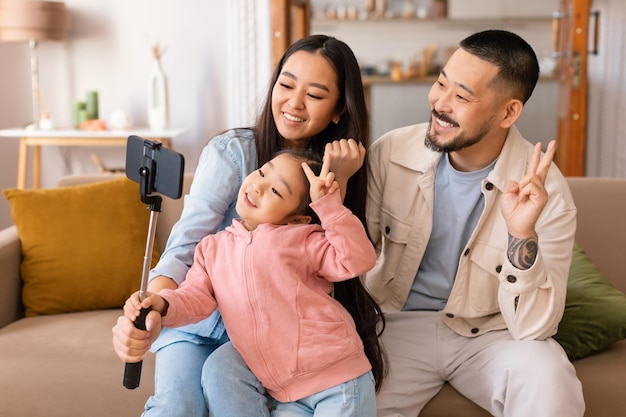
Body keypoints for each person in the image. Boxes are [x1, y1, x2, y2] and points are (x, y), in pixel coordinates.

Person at [111, 34, 386, 416]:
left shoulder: (336, 175)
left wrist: (333, 190)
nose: (293, 102)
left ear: (339, 109)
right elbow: (184, 249)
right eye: (286, 85)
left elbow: (345, 261)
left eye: (316, 94)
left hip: (271, 340)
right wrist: (153, 311)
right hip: (198, 323)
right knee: (178, 407)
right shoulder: (233, 154)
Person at [365, 29, 585, 416]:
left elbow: (533, 328)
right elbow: (348, 260)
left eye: (462, 96)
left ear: (509, 112)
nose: (439, 103)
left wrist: (521, 234)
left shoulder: (547, 194)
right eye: (440, 83)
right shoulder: (390, 153)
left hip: (492, 333)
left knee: (549, 377)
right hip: (396, 327)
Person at [123, 149, 380, 416]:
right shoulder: (213, 248)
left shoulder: (303, 239)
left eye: (276, 191)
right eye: (261, 173)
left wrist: (329, 207)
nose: (258, 186)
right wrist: (163, 303)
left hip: (337, 380)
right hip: (288, 396)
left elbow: (357, 260)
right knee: (219, 367)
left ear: (296, 218)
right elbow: (194, 298)